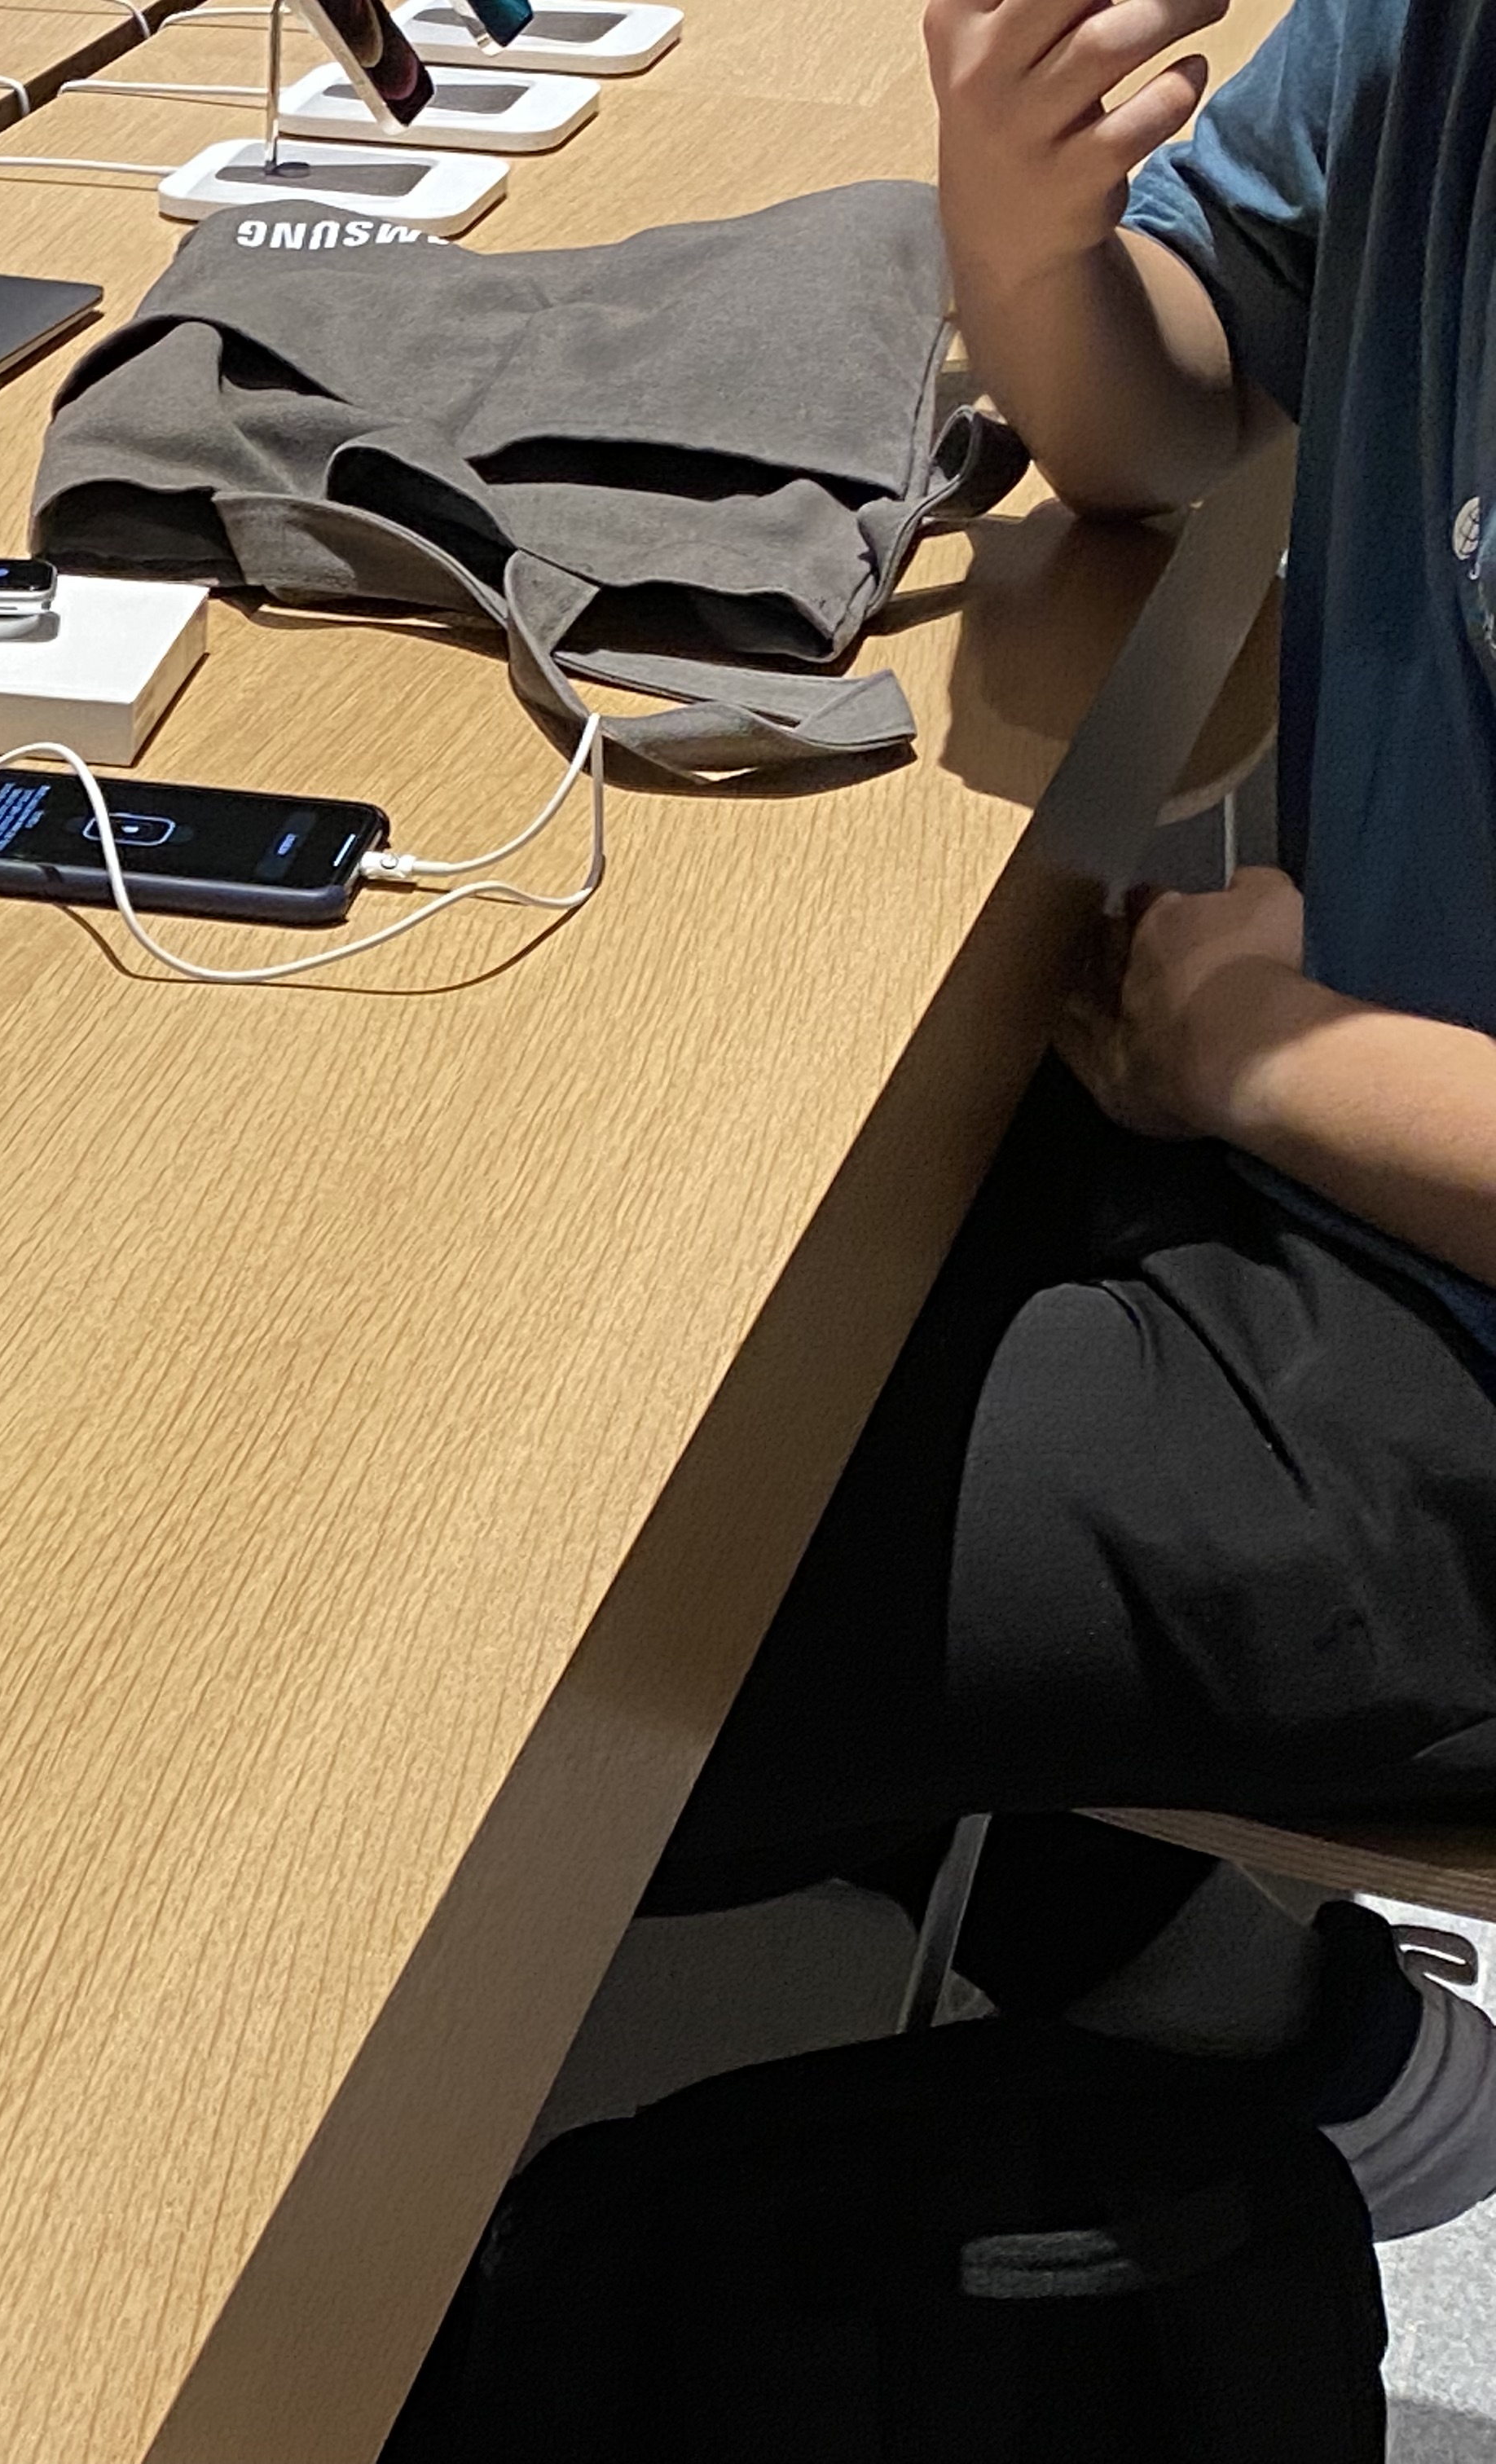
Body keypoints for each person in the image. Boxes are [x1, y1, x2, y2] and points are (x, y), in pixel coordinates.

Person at [641, 0, 1496, 2240]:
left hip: (1442, 1361)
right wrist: (1029, 226)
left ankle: (1225, 2022)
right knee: (666, 1272)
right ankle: (1221, 1988)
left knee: (612, 1610)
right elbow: (1168, 401)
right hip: (1336, 1168)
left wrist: (1274, 1055)